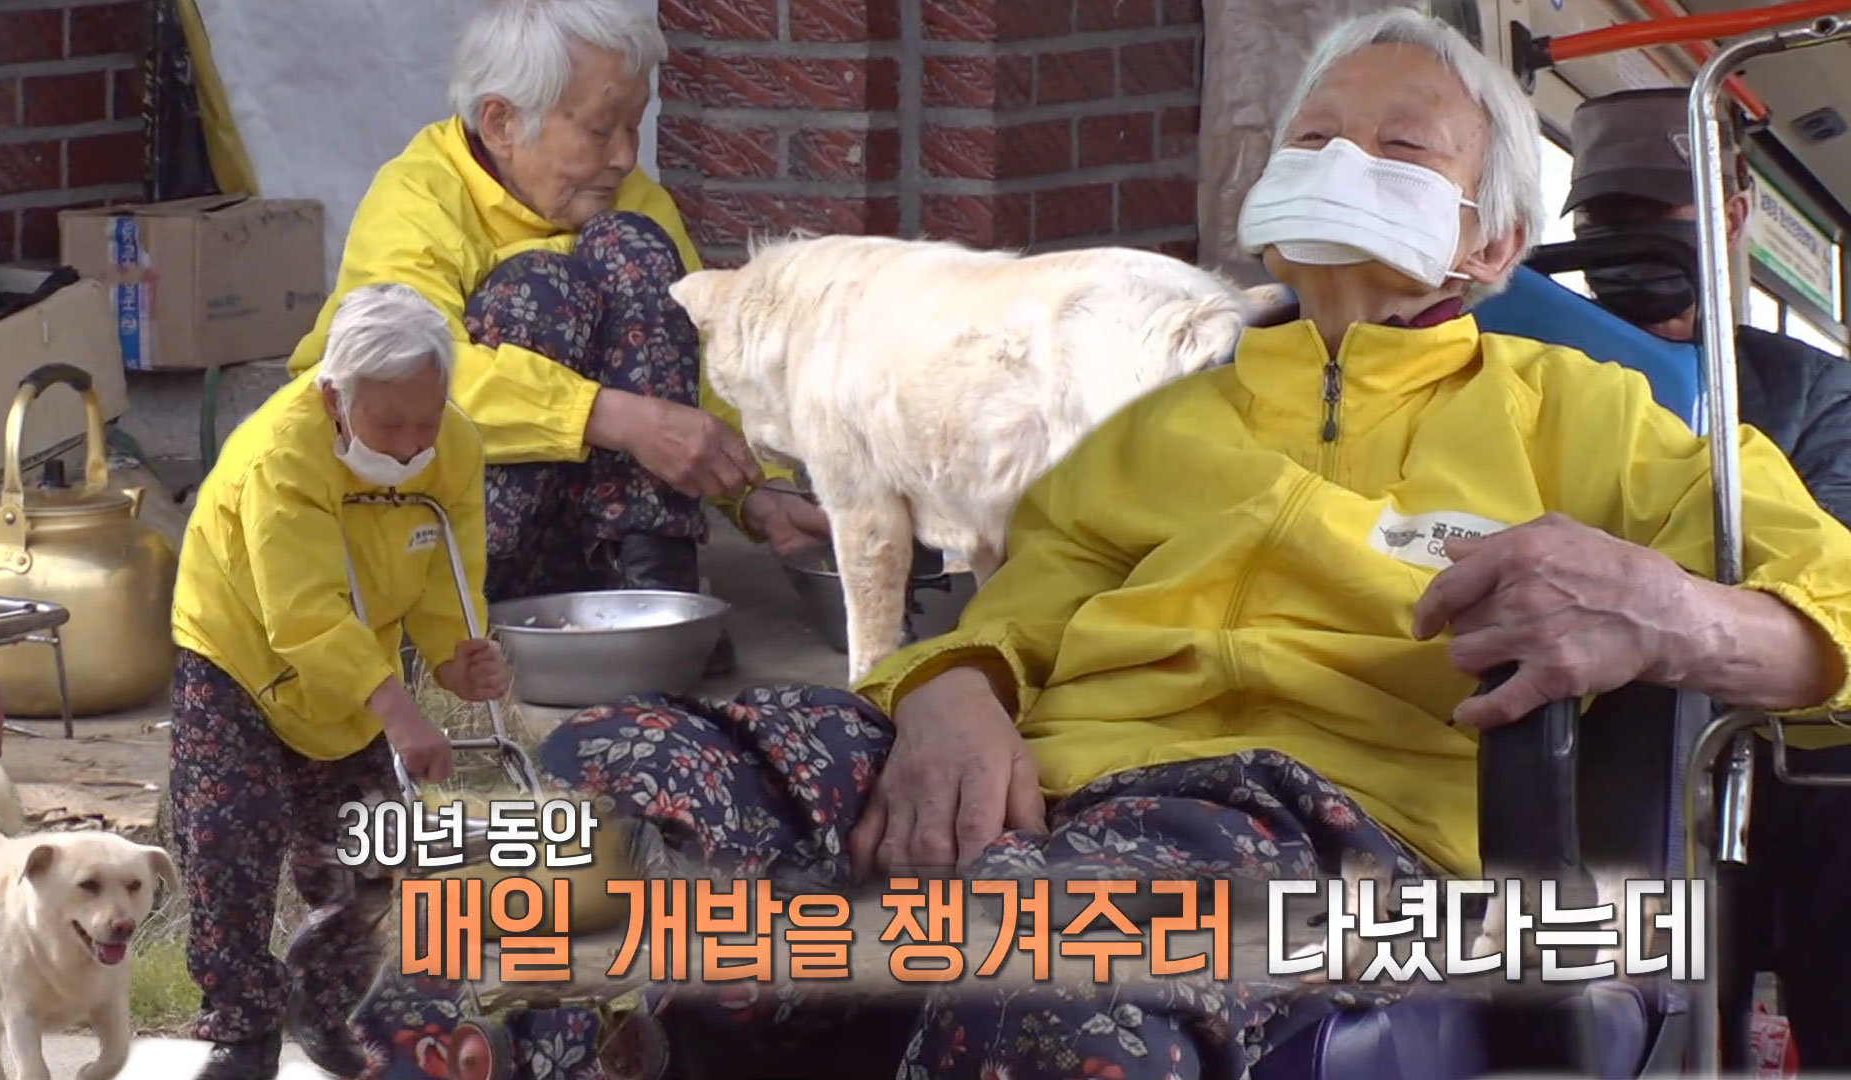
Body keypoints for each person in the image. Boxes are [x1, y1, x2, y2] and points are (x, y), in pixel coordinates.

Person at [496, 7, 1851, 1078]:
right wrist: (952, 687)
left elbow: (1831, 596)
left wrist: (1672, 610)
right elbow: (1023, 603)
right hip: (1048, 786)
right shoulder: (1163, 425)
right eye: (1314, 137)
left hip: (1332, 831)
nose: (1343, 164)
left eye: (1401, 149)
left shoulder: (1591, 417)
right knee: (586, 805)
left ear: (1491, 241)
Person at [283, 0, 828, 675]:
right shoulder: (416, 200)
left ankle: (654, 593)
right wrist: (612, 416)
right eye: (600, 129)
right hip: (429, 532)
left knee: (633, 246)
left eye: (634, 126)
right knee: (543, 287)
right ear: (501, 123)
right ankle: (450, 618)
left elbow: (703, 359)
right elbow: (401, 382)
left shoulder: (628, 198)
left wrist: (758, 490)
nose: (625, 156)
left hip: (570, 536)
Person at [1563, 86, 1851, 1070]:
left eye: (1654, 214)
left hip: (1776, 757)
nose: (1625, 245)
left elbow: (1826, 579)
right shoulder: (1534, 373)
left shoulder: (1811, 394)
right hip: (1587, 737)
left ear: (1729, 215)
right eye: (1602, 223)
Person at [169, 283, 511, 1080]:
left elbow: (448, 570)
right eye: (389, 425)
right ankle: (242, 1028)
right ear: (334, 397)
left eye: (427, 419)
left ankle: (323, 1007)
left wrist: (458, 658)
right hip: (241, 657)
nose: (411, 445)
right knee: (231, 840)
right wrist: (397, 707)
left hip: (359, 662)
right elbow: (304, 613)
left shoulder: (453, 448)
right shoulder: (281, 455)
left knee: (369, 856)